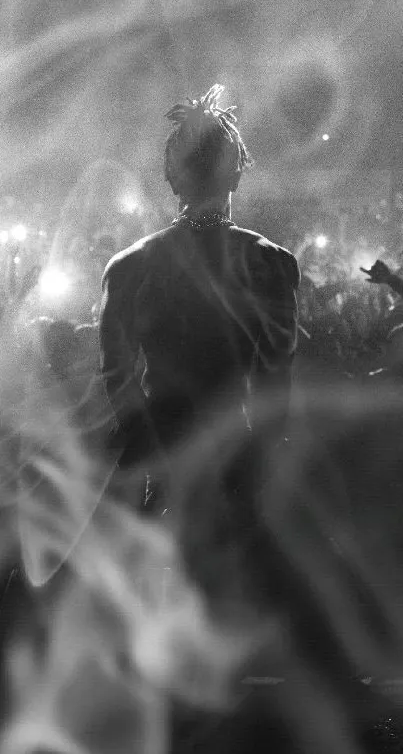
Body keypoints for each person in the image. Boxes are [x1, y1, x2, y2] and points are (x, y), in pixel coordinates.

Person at [99, 84, 300, 513]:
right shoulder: (268, 261)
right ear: (237, 173)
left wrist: (147, 441)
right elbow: (276, 378)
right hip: (236, 454)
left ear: (172, 177)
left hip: (161, 456)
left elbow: (117, 374)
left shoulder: (128, 266)